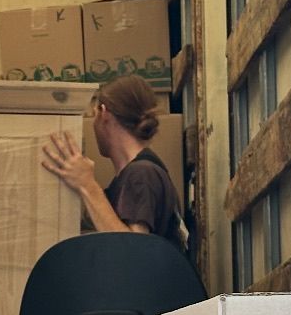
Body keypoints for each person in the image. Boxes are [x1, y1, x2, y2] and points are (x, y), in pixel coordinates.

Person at [40, 74, 186, 247]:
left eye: (93, 115)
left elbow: (133, 251)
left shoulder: (141, 174)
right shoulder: (133, 174)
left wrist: (87, 184)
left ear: (104, 114)